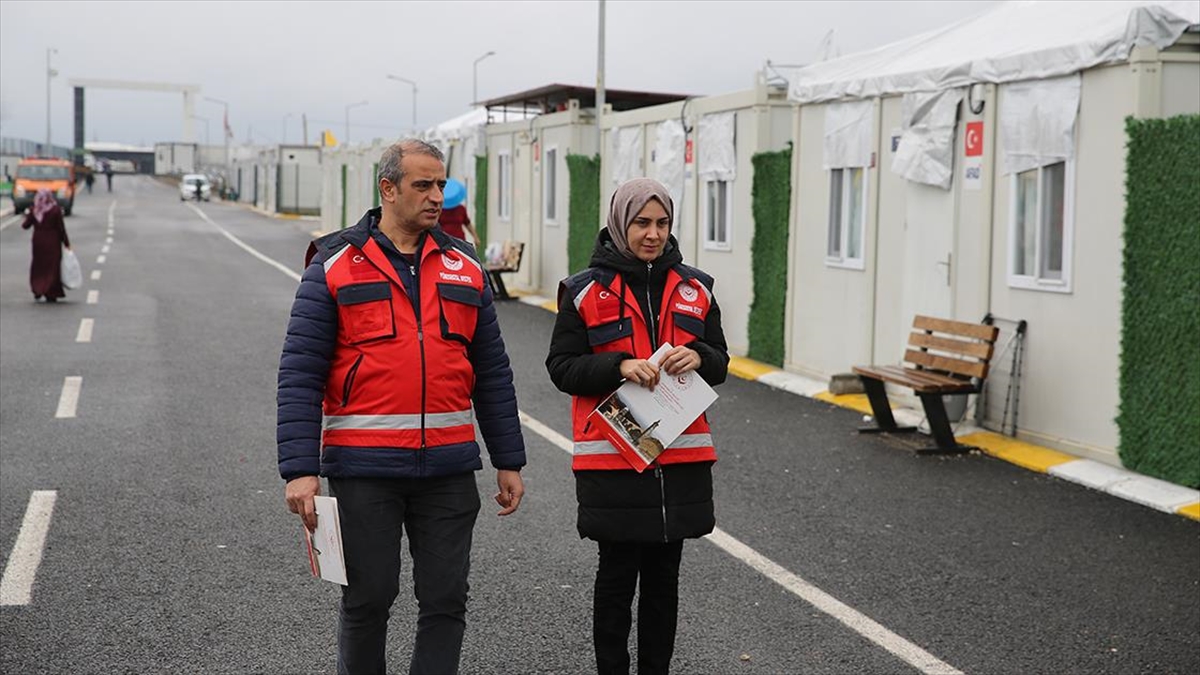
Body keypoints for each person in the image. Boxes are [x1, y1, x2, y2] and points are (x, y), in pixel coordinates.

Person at [277, 138, 526, 675]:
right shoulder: (334, 263)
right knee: (368, 600)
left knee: (445, 601)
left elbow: (492, 372)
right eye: (423, 185)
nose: (436, 196)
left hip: (449, 469)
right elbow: (300, 372)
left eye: (440, 184)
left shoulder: (465, 267)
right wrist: (300, 471)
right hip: (364, 469)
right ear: (388, 189)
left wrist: (509, 459)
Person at [545, 178, 729, 675]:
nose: (652, 234)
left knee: (665, 580)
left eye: (662, 223)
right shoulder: (583, 291)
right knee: (617, 577)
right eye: (641, 222)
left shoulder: (697, 288)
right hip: (614, 457)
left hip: (682, 458)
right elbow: (561, 367)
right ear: (619, 223)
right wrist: (619, 365)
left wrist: (701, 354)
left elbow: (721, 361)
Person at [21, 189, 72, 303]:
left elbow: (25, 226)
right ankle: (51, 292)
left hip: (38, 242)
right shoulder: (55, 210)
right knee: (52, 267)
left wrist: (28, 215)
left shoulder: (35, 210)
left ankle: (38, 289)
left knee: (39, 266)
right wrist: (67, 243)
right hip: (53, 242)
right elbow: (61, 228)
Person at [438, 178, 479, 248]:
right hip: (443, 242)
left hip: (459, 241)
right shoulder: (439, 209)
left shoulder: (461, 209)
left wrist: (475, 237)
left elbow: (467, 223)